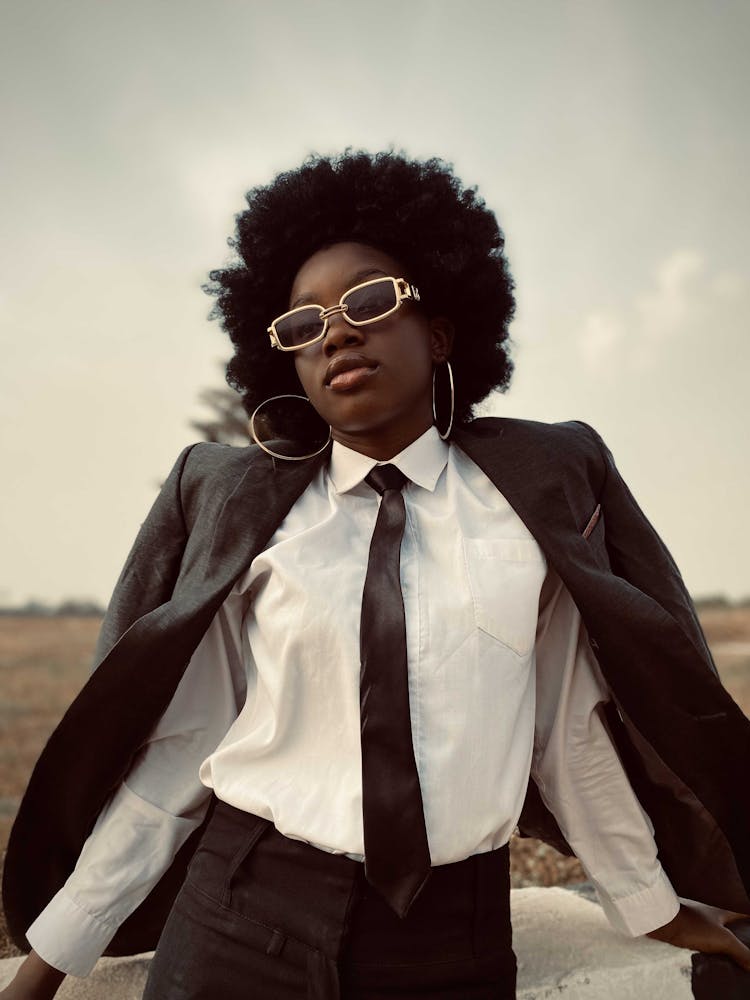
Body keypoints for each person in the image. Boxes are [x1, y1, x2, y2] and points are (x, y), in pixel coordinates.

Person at [2, 151, 750, 1000]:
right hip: (239, 920)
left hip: (450, 943)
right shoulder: (254, 520)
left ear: (439, 332)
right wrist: (49, 960)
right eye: (303, 325)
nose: (337, 333)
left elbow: (566, 738)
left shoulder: (531, 508)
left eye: (367, 301)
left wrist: (651, 906)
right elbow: (182, 752)